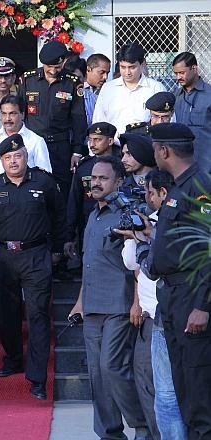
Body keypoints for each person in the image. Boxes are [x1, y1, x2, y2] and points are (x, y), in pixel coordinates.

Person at [0, 134, 65, 400]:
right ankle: (13, 358)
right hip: (3, 257)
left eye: (18, 156)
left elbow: (59, 216)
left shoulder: (44, 183)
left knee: (37, 314)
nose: (13, 161)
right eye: (8, 157)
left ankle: (37, 378)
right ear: (1, 161)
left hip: (36, 255)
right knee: (5, 313)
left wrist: (58, 249)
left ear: (26, 156)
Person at [69, 156, 150, 440]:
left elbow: (140, 262)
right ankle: (109, 434)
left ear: (118, 181)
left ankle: (143, 425)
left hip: (119, 304)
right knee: (97, 374)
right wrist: (80, 301)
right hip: (92, 305)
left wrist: (137, 302)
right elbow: (88, 263)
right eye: (93, 178)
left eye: (104, 178)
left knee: (112, 367)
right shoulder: (93, 215)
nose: (96, 183)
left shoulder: (129, 214)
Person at [148, 122, 211, 439]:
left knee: (200, 394)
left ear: (164, 151)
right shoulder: (180, 187)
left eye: (155, 148)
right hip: (174, 294)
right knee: (184, 389)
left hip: (192, 294)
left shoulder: (200, 187)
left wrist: (203, 305)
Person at [117, 169, 179, 440]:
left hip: (169, 313)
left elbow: (152, 267)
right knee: (147, 379)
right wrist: (134, 236)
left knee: (168, 390)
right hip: (149, 313)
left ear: (162, 194)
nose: (146, 197)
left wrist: (147, 238)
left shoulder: (170, 223)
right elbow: (130, 263)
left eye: (149, 193)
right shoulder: (145, 221)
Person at [20, 41, 87, 197]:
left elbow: (79, 119)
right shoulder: (28, 80)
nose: (52, 71)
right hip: (34, 144)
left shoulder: (72, 82)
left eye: (57, 67)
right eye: (48, 66)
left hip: (60, 146)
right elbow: (20, 113)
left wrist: (76, 151)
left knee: (61, 188)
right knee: (32, 186)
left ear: (64, 62)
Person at [64, 122, 118, 259]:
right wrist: (69, 237)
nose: (92, 144)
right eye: (90, 139)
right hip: (88, 225)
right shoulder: (84, 166)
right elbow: (74, 202)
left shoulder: (121, 165)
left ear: (110, 141)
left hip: (116, 226)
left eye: (97, 139)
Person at [0, 94, 51, 184]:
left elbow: (45, 176)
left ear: (22, 115)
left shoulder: (36, 141)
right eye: (4, 114)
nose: (7, 118)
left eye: (12, 113)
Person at [93, 42, 166, 135]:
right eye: (123, 67)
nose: (127, 72)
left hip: (145, 146)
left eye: (132, 67)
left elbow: (167, 122)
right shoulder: (108, 89)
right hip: (113, 146)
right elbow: (98, 120)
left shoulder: (155, 88)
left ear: (142, 64)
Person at [172, 52, 211, 172]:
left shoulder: (209, 95)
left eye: (182, 73)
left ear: (194, 68)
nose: (178, 77)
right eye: (176, 73)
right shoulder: (175, 96)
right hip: (181, 166)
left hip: (206, 167)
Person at [119, 132, 155, 197]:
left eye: (129, 154)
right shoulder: (122, 183)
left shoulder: (163, 180)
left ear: (142, 154)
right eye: (123, 154)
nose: (123, 160)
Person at [82, 53, 111, 127]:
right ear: (88, 69)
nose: (105, 77)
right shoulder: (77, 89)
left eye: (107, 73)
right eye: (102, 72)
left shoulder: (109, 92)